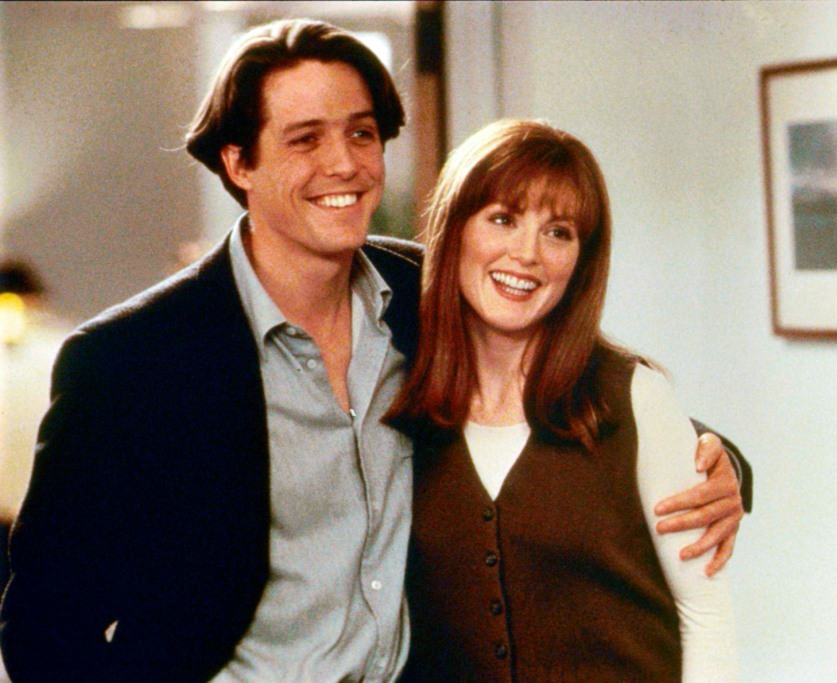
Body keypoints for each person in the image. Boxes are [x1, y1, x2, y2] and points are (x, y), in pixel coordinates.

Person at [0, 19, 748, 681]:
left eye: (362, 134)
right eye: (305, 138)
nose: (345, 165)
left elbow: (576, 390)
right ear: (238, 162)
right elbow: (43, 633)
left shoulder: (427, 294)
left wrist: (722, 466)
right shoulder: (131, 361)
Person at [387, 119, 737, 681]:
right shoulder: (401, 404)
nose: (527, 253)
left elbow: (706, 615)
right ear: (455, 230)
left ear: (581, 260)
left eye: (558, 232)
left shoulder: (636, 399)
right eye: (503, 219)